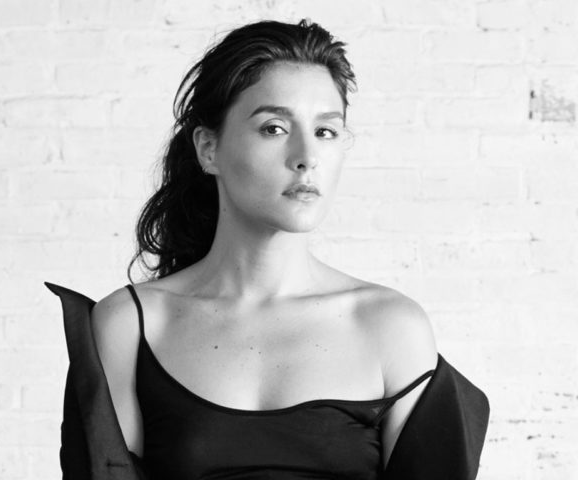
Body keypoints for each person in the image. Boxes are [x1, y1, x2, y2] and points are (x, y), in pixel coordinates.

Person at [45, 18, 489, 480]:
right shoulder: (132, 324)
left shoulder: (391, 327)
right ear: (209, 149)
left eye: (325, 132)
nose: (306, 157)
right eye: (274, 128)